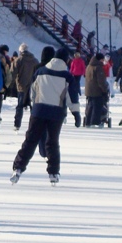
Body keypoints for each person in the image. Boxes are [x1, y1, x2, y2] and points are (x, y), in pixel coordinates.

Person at [10, 48, 77, 185]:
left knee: (30, 141)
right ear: (65, 60)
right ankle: (53, 172)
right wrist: (75, 113)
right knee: (52, 143)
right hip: (56, 113)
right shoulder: (67, 76)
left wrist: (34, 105)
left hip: (39, 111)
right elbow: (72, 97)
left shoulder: (40, 71)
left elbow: (33, 91)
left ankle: (18, 168)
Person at [12, 44, 39, 130]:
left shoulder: (18, 60)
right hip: (32, 86)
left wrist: (8, 85)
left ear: (20, 51)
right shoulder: (35, 60)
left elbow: (13, 73)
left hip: (21, 85)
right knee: (33, 106)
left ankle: (17, 125)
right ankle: (34, 125)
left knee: (20, 106)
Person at [83, 53, 109, 127]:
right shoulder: (98, 68)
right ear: (99, 60)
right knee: (97, 107)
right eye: (102, 60)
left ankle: (88, 122)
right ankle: (95, 122)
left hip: (89, 90)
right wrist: (105, 90)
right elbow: (101, 81)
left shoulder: (89, 66)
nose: (103, 61)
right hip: (96, 90)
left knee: (90, 106)